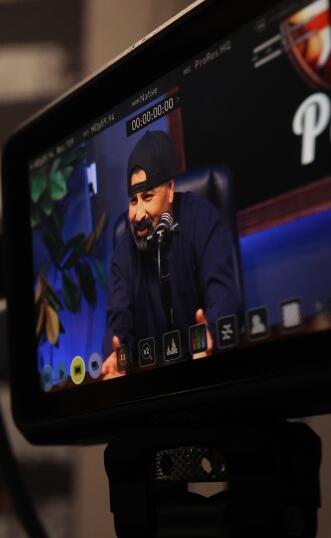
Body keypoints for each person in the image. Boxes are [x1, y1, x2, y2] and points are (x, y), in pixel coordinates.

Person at [100, 130, 243, 378]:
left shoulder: (202, 219)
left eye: (147, 197)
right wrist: (115, 355)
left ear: (170, 189)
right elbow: (118, 320)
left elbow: (224, 294)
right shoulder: (124, 250)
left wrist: (211, 332)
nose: (138, 213)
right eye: (133, 201)